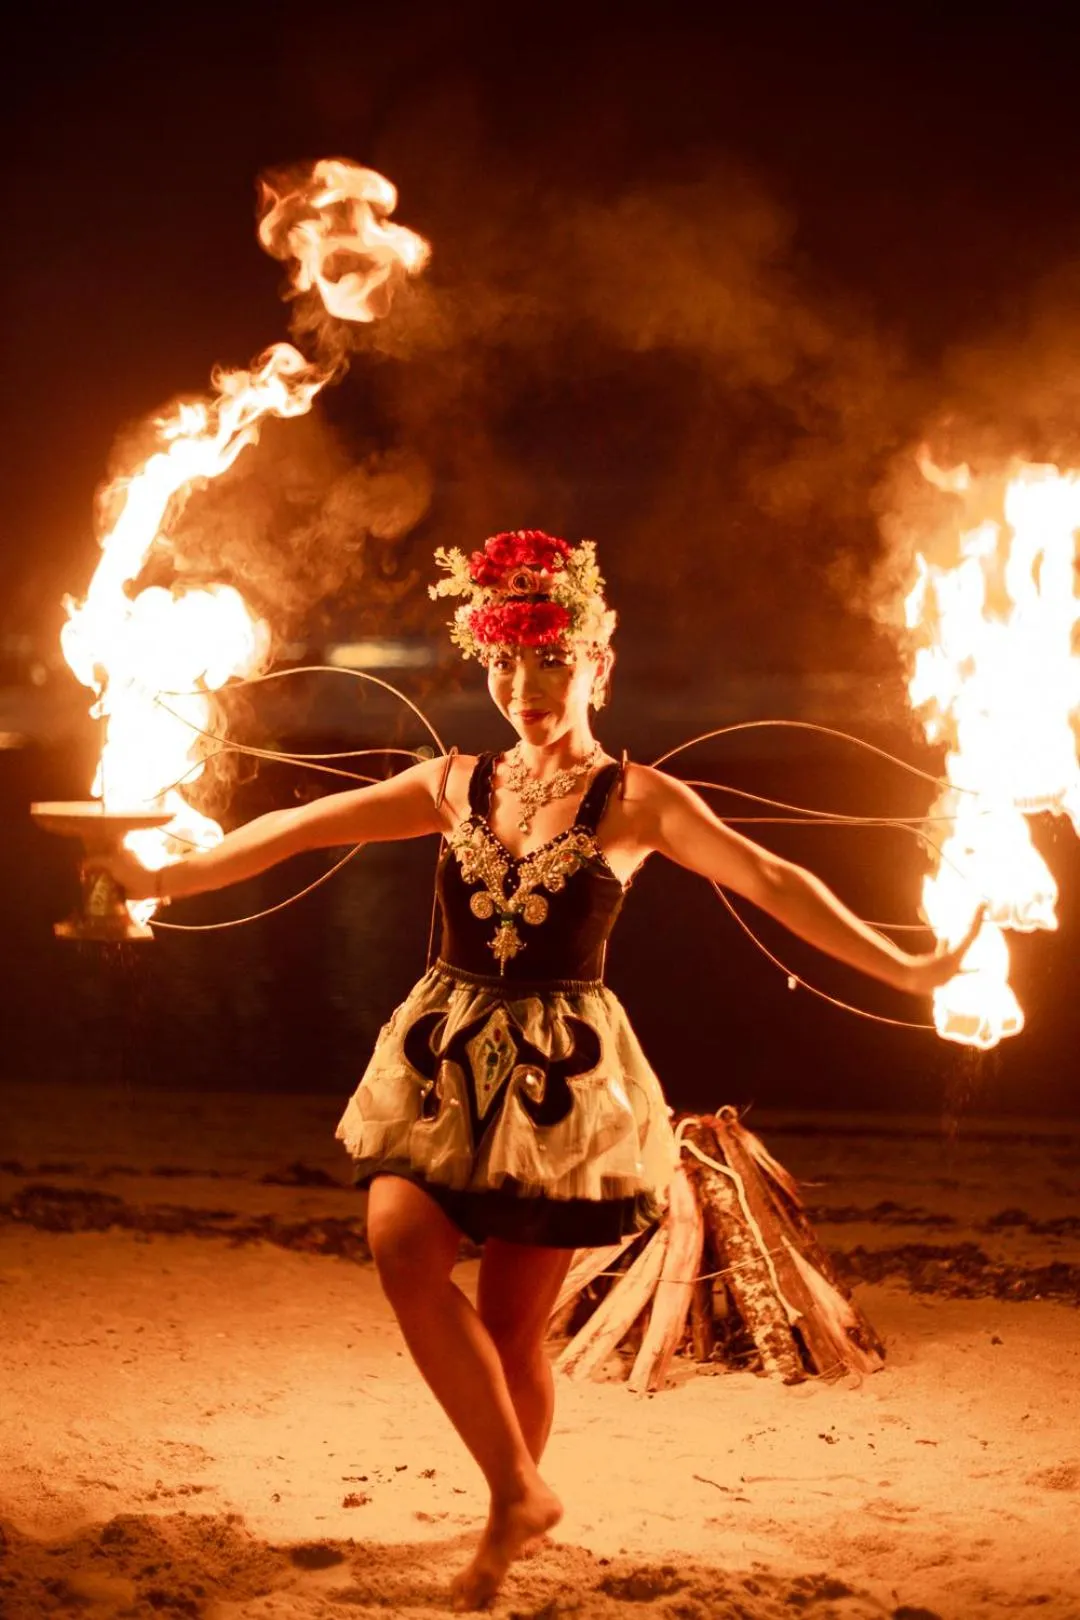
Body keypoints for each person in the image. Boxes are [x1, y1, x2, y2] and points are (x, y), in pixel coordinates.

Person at [101, 529, 980, 1611]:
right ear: (485, 665)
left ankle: (504, 1521)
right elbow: (296, 828)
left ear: (596, 664)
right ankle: (520, 1490)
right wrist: (165, 876)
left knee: (517, 1327)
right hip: (438, 1061)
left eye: (551, 660)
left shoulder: (637, 799)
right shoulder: (453, 783)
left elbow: (772, 878)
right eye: (506, 663)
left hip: (564, 1081)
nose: (525, 686)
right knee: (399, 1242)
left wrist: (909, 962)